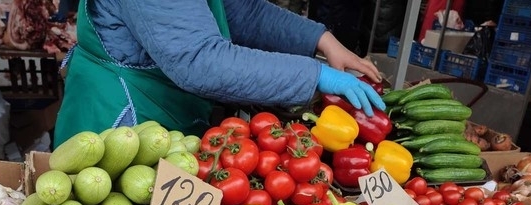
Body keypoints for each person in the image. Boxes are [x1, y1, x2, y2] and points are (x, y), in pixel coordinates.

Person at [53, 0, 384, 146]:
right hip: (118, 122)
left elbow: (237, 9)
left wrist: (322, 41)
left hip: (162, 114)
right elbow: (198, 60)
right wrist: (315, 76)